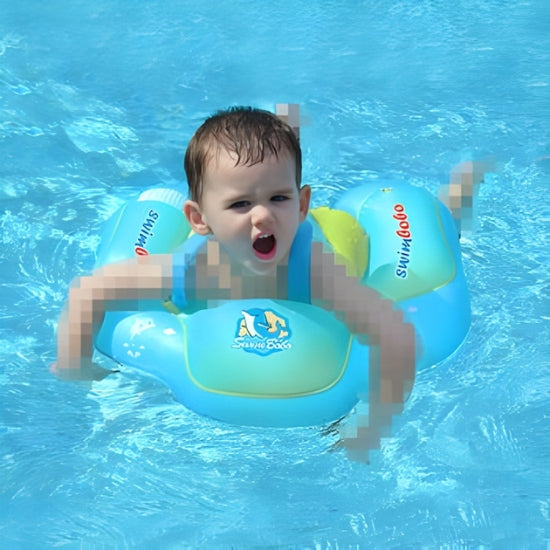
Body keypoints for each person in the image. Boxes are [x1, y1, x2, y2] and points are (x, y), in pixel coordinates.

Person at [53, 105, 417, 461]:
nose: (263, 216)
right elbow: (89, 291)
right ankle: (281, 133)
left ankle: (286, 130)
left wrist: (368, 426)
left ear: (301, 204)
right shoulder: (192, 271)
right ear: (199, 219)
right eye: (241, 204)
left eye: (279, 198)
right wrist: (77, 371)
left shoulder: (316, 273)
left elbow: (395, 336)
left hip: (323, 240)